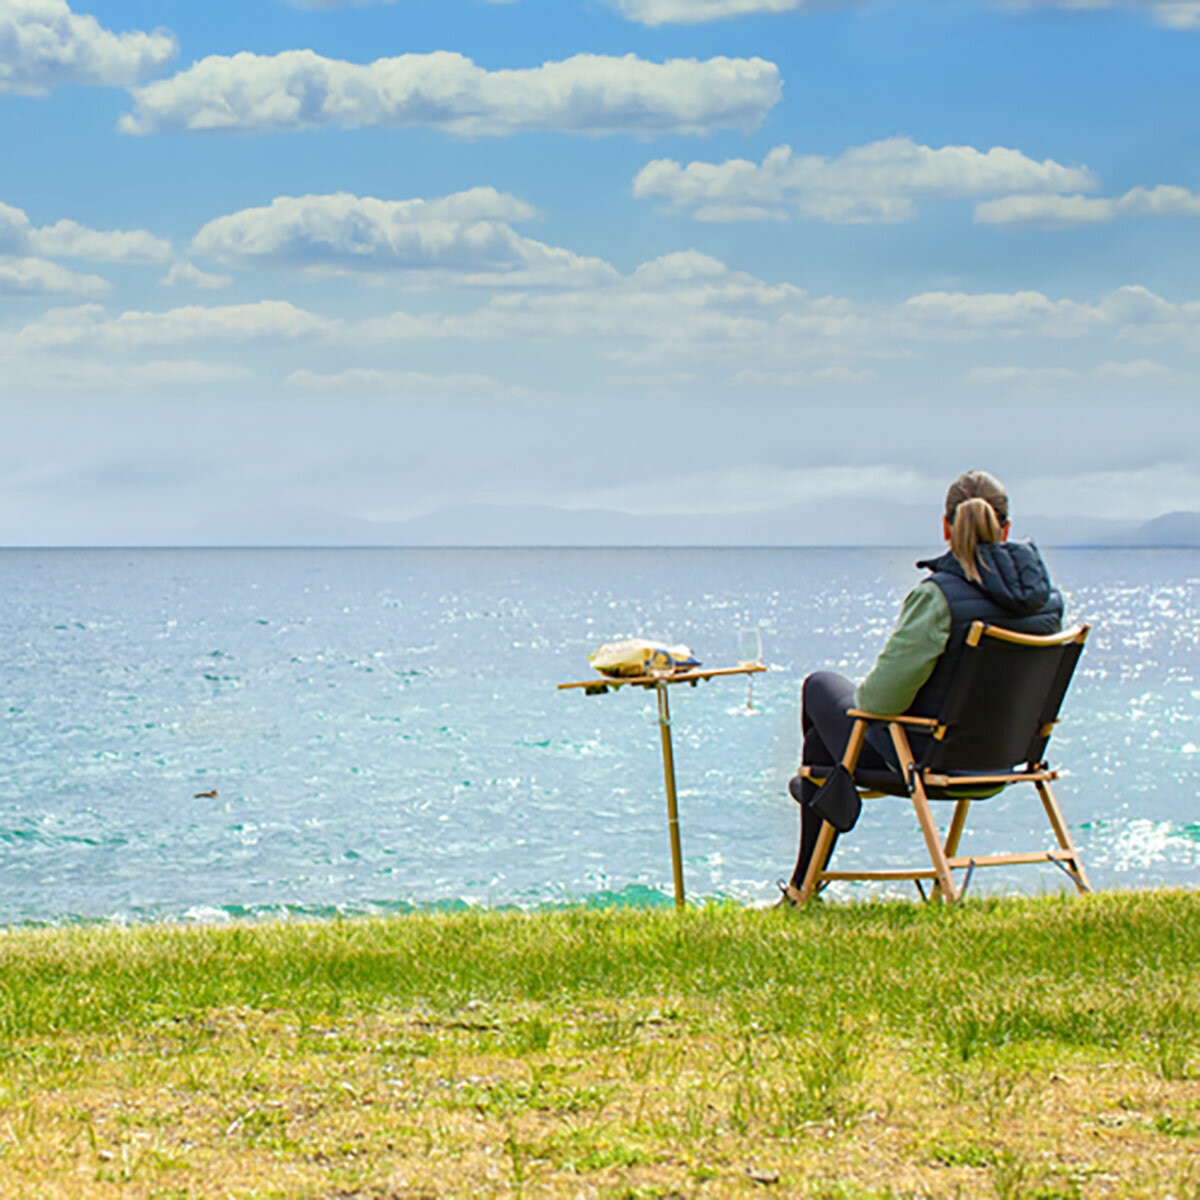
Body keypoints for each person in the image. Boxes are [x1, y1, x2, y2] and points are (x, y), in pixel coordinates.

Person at [778, 469, 1063, 906]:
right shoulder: (1049, 604)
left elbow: (877, 702)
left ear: (947, 528)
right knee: (821, 747)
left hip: (928, 762)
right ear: (1005, 529)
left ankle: (818, 823)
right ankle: (820, 812)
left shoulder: (939, 597)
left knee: (820, 688)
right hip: (1005, 761)